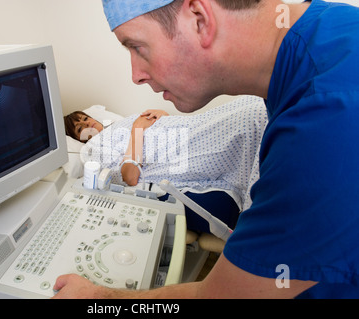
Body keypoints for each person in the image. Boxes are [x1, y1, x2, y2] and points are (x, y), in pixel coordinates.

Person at [53, 0, 359, 298]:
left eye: (136, 47)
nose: (136, 75)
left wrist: (94, 299)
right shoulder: (332, 25)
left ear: (199, 19)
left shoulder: (325, 122)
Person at [64, 96, 268, 233]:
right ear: (80, 139)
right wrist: (137, 128)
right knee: (252, 119)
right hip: (181, 151)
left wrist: (160, 115)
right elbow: (130, 176)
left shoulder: (118, 123)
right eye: (79, 128)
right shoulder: (95, 149)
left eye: (85, 118)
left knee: (251, 108)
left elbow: (166, 126)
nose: (87, 124)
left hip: (187, 130)